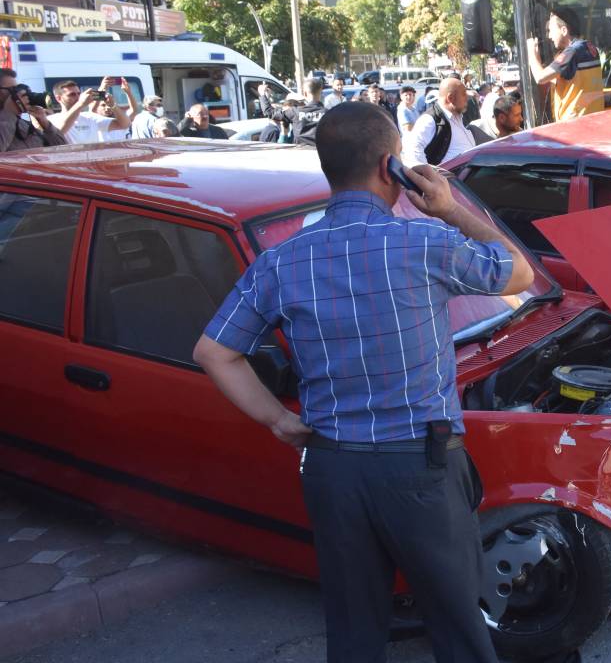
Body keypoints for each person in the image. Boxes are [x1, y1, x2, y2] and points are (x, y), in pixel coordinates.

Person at [193, 101, 532, 663]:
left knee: (354, 633)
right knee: (457, 627)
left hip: (334, 470)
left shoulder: (281, 262)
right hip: (419, 467)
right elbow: (515, 271)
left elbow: (214, 351)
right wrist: (447, 208)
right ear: (389, 167)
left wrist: (279, 420)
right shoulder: (426, 242)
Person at [525, 7, 604, 121]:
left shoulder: (572, 52)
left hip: (575, 126)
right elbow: (572, 80)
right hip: (592, 120)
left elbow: (540, 78)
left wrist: (532, 54)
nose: (549, 36)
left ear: (564, 30)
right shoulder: (588, 47)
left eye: (551, 30)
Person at [404, 78, 475, 166]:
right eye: (463, 94)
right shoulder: (430, 120)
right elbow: (413, 152)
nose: (467, 98)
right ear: (450, 98)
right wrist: (432, 176)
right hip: (448, 178)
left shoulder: (457, 116)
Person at [0, 68, 67, 151]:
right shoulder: (7, 122)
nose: (17, 94)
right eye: (12, 90)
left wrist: (46, 125)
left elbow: (63, 150)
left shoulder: (24, 125)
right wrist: (9, 113)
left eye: (17, 89)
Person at [47, 78, 131, 144]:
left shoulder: (89, 116)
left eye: (78, 94)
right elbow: (59, 133)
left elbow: (124, 124)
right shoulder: (51, 119)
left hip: (92, 164)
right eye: (72, 94)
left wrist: (113, 105)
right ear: (58, 98)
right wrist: (80, 104)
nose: (77, 97)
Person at [281, 79, 327, 147]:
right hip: (321, 154)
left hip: (301, 153)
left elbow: (269, 112)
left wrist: (263, 95)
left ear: (305, 93)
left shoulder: (295, 112)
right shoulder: (328, 113)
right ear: (320, 92)